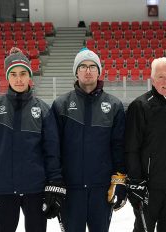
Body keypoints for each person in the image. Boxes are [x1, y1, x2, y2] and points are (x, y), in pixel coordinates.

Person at [0, 47, 65, 232]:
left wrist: (55, 182)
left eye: (23, 73)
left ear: (30, 76)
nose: (18, 79)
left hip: (35, 189)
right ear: (7, 77)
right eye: (13, 74)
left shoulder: (43, 109)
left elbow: (51, 151)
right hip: (3, 188)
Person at [51, 47, 126, 231]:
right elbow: (53, 148)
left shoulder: (114, 105)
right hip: (70, 189)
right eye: (83, 66)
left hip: (101, 189)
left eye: (92, 66)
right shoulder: (61, 105)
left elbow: (119, 147)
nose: (87, 70)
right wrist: (54, 181)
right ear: (76, 72)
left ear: (99, 71)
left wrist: (120, 180)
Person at [125, 57, 166, 232]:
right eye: (160, 77)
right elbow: (131, 148)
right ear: (152, 79)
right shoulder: (141, 105)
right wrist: (135, 181)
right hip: (148, 188)